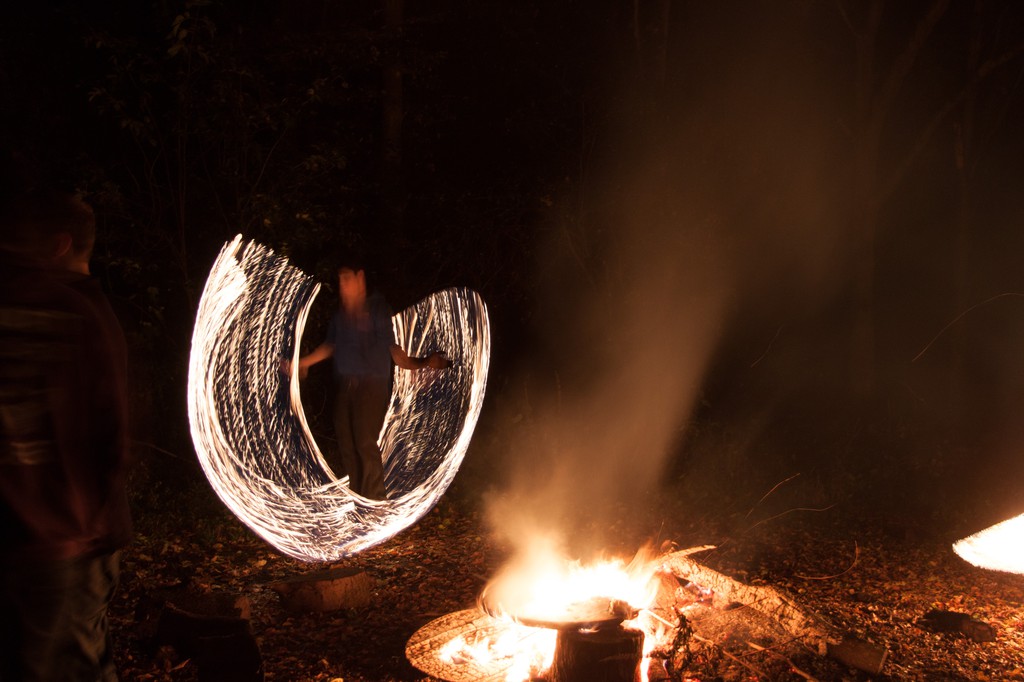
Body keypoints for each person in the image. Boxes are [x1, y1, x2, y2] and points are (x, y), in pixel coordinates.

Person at [0, 188, 131, 682]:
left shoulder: (75, 314)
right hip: (62, 537)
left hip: (67, 540)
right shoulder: (80, 311)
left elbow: (109, 434)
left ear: (56, 244)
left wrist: (83, 524)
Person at [281, 258, 449, 500]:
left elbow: (395, 352)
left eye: (347, 279)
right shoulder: (340, 318)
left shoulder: (377, 310)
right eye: (340, 281)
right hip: (346, 388)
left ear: (360, 278)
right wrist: (302, 363)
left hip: (372, 387)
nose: (342, 285)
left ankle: (376, 501)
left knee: (364, 442)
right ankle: (359, 501)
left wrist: (423, 363)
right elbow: (329, 346)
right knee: (348, 447)